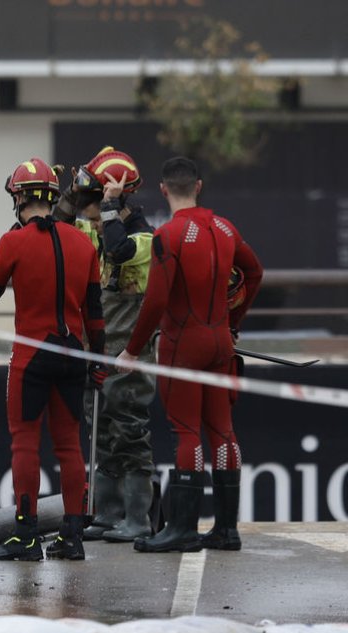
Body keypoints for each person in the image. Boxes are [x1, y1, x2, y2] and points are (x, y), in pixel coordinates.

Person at [118, 156, 263, 553]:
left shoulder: (169, 234)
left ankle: (182, 528)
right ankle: (226, 529)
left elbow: (156, 299)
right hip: (220, 341)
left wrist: (132, 349)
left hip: (183, 344)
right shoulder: (225, 228)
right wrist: (234, 321)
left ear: (164, 189)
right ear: (198, 186)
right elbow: (255, 273)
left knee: (185, 431)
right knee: (223, 430)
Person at [0, 157, 106, 561]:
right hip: (73, 354)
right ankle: (72, 535)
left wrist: (13, 243)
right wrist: (98, 360)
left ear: (18, 198)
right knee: (70, 445)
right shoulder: (83, 242)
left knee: (25, 444)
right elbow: (95, 312)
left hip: (32, 353)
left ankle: (27, 535)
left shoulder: (13, 241)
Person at [53, 147, 157, 543]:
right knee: (102, 435)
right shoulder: (91, 227)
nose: (87, 209)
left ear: (115, 199)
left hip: (131, 357)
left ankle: (137, 519)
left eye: (91, 200)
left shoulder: (144, 238)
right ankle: (108, 515)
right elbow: (55, 229)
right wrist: (71, 197)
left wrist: (110, 204)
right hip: (95, 354)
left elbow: (120, 251)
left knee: (130, 434)